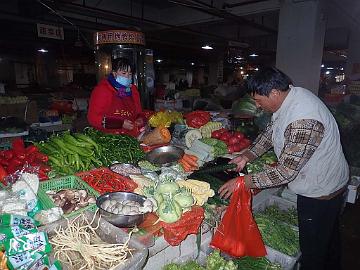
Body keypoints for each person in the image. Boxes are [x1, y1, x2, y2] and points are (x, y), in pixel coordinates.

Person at [219, 67, 349, 270]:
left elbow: (285, 172)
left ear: (274, 93)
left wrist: (244, 181)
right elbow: (270, 133)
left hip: (321, 191)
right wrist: (246, 155)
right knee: (329, 240)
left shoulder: (304, 119)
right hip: (326, 181)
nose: (257, 105)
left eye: (259, 100)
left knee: (314, 250)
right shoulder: (289, 98)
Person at [87, 57, 145, 136]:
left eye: (130, 74)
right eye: (124, 73)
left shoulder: (133, 90)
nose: (127, 77)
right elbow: (93, 118)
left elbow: (139, 112)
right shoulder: (103, 90)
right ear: (114, 73)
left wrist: (140, 119)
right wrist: (120, 123)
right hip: (109, 137)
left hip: (131, 136)